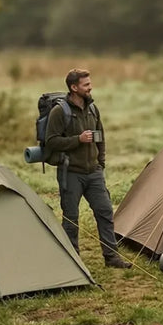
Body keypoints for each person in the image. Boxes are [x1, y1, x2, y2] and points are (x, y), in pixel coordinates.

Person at [44, 68, 130, 268]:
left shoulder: (93, 109)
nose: (90, 87)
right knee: (71, 219)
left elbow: (100, 136)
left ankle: (112, 258)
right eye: (86, 85)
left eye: (90, 84)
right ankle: (73, 262)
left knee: (105, 212)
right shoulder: (60, 112)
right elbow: (51, 142)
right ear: (74, 88)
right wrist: (78, 140)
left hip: (94, 173)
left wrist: (101, 163)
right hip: (71, 173)